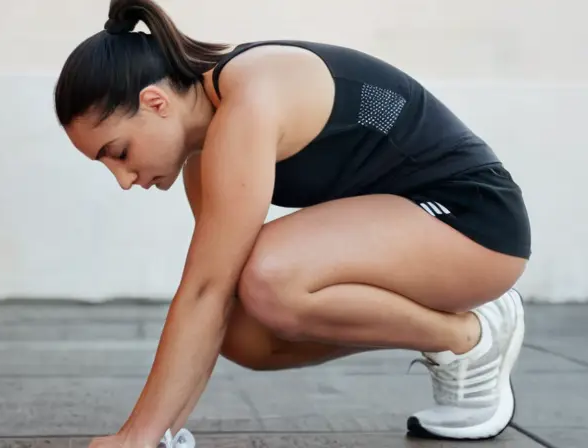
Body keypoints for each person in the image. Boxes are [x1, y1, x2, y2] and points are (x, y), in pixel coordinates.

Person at [53, 0, 532, 446]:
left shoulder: (249, 100)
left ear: (157, 102)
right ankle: (453, 334)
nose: (122, 179)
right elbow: (215, 298)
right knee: (244, 332)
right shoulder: (205, 154)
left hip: (475, 222)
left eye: (117, 152)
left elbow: (204, 289)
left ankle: (469, 337)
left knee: (268, 276)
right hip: (414, 232)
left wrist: (133, 436)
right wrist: (160, 434)